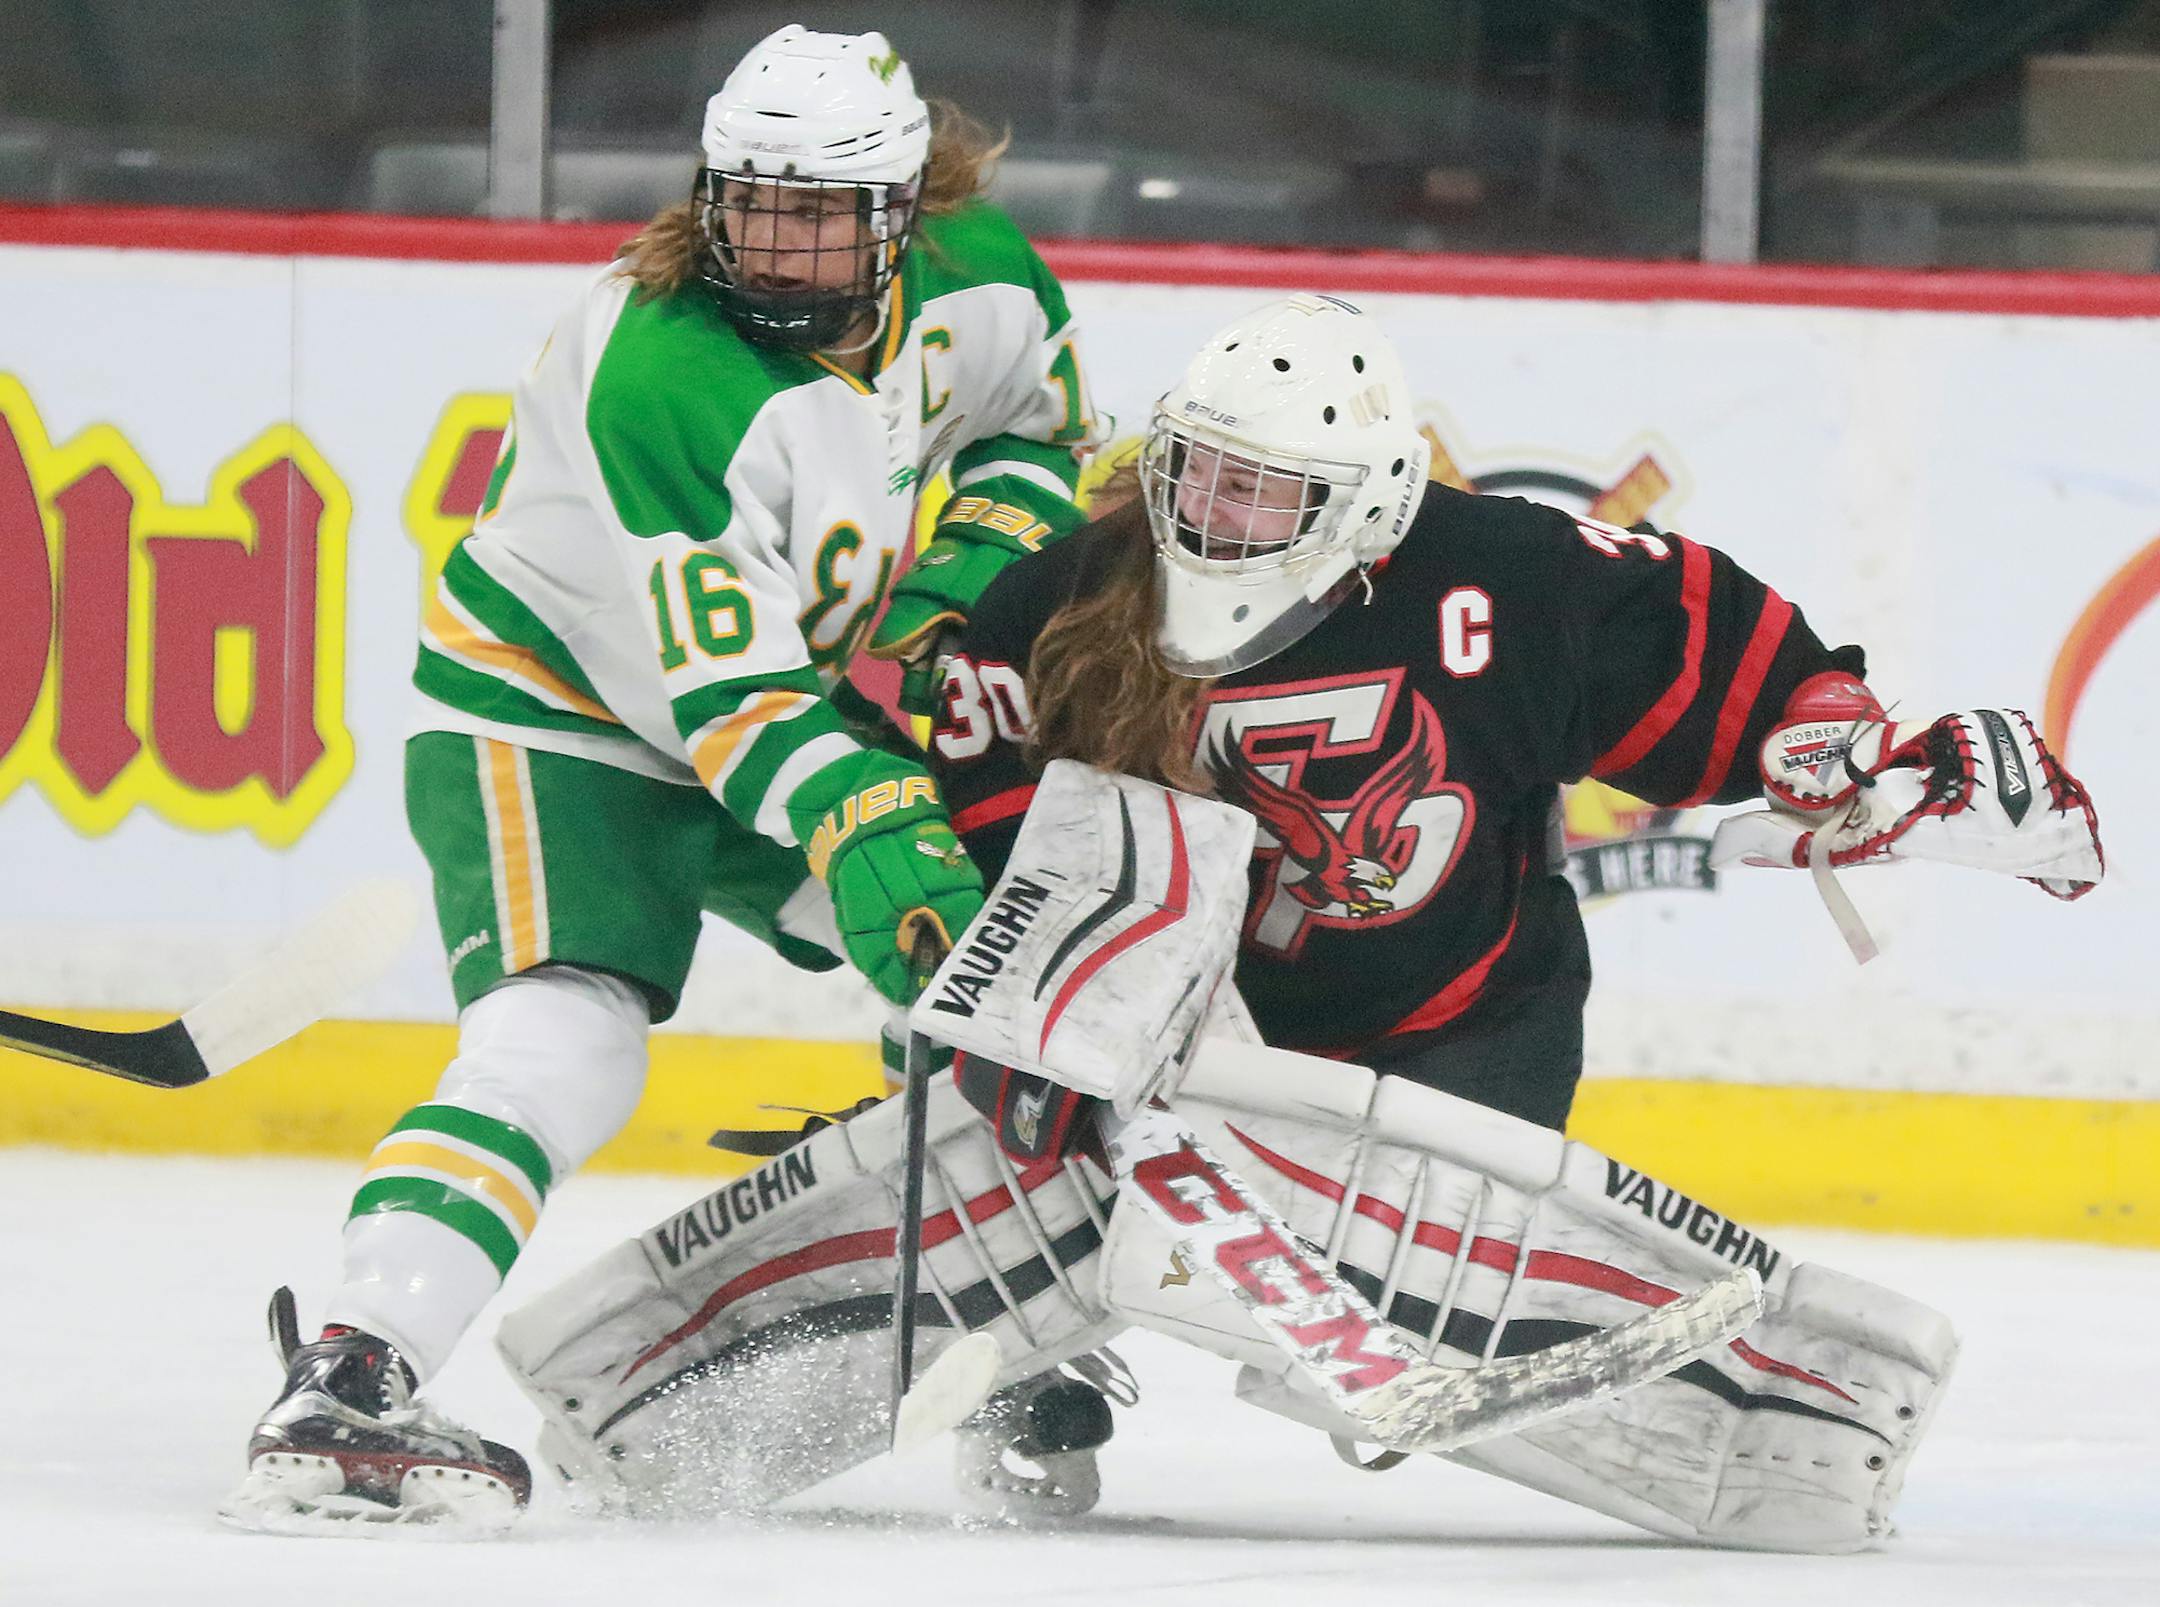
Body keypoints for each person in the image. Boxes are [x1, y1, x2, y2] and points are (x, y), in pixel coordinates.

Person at [222, 25, 1096, 1531]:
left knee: (987, 974)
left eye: (820, 213)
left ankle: (990, 1319)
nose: (776, 239)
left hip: (777, 699)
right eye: (751, 202)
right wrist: (877, 819)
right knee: (567, 1039)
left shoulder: (986, 276)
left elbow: (1034, 438)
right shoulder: (662, 371)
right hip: (555, 718)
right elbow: (733, 703)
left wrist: (958, 581)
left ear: (903, 212)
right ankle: (354, 1377)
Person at [930, 291, 2103, 1145]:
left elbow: (1731, 660)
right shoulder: (1068, 595)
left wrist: (1834, 733)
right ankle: (1031, 1394)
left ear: (1372, 497)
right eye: (1197, 467)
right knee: (1008, 1160)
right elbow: (985, 838)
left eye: (1261, 486)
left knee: (1417, 1334)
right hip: (1171, 1034)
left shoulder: (1507, 573)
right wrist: (1021, 1022)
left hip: (1456, 1027)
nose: (1210, 511)